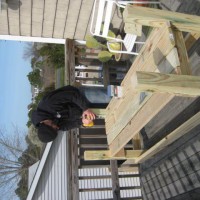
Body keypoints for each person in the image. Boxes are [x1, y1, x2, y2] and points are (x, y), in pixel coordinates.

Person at [31, 85, 110, 143]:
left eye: (54, 127)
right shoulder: (54, 127)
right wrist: (82, 122)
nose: (57, 127)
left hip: (81, 96)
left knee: (110, 97)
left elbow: (71, 95)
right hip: (82, 110)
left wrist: (85, 108)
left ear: (44, 123)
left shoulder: (48, 104)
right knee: (110, 110)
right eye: (56, 130)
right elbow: (66, 126)